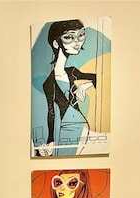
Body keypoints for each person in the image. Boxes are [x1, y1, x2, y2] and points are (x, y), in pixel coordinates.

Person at [41, 20, 96, 156]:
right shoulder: (49, 82)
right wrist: (50, 140)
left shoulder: (72, 72)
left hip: (81, 124)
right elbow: (51, 112)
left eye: (81, 35)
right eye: (69, 37)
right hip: (66, 127)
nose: (77, 42)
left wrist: (84, 86)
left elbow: (97, 78)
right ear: (56, 43)